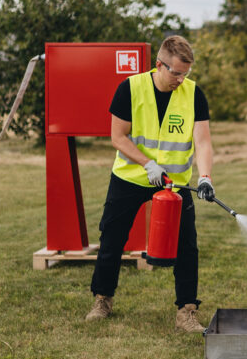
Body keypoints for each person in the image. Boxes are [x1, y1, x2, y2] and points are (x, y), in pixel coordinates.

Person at [85, 35, 215, 332]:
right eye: (176, 72)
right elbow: (117, 137)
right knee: (112, 237)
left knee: (187, 246)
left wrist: (205, 177)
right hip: (130, 177)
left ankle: (186, 311)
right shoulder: (129, 89)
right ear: (159, 65)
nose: (181, 79)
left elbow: (203, 141)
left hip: (175, 182)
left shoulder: (194, 94)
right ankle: (102, 299)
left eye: (186, 73)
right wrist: (148, 164)